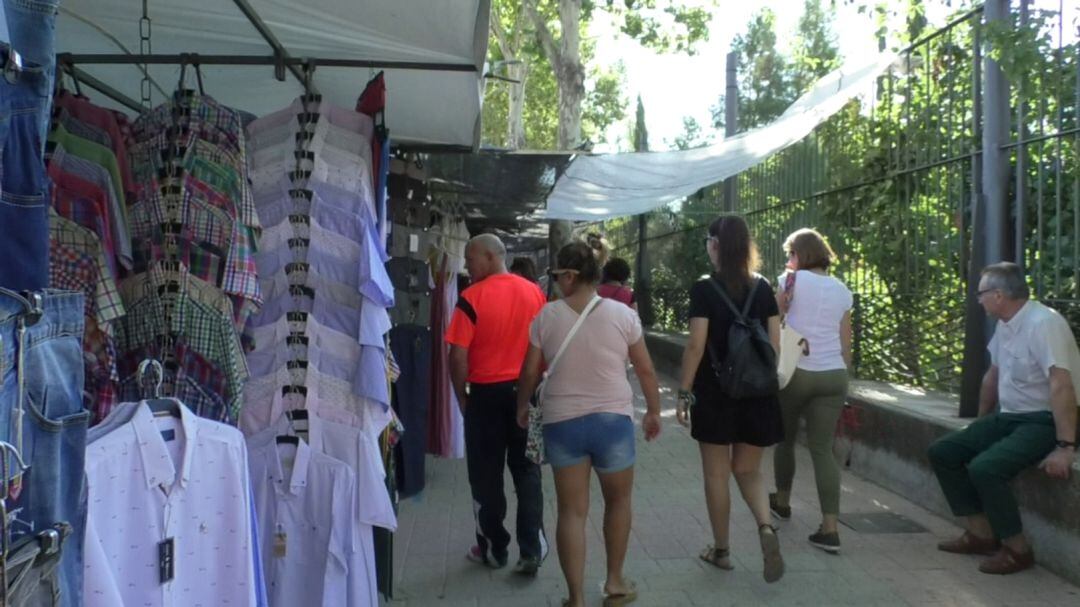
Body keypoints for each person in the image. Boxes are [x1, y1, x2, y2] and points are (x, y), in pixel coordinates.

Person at [516, 242, 662, 607]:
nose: (554, 284)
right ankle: (614, 583)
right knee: (619, 501)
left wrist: (522, 407)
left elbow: (530, 372)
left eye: (555, 276)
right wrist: (654, 411)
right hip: (613, 421)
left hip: (562, 423)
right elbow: (645, 368)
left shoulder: (546, 317)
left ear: (569, 276)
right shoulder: (623, 315)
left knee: (571, 512)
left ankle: (576, 597)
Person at [927, 262, 1079, 575]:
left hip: (1044, 420)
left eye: (980, 293)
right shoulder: (1005, 324)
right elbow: (993, 376)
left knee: (986, 468)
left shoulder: (1043, 323)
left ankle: (1017, 549)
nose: (977, 299)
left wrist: (1065, 446)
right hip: (1009, 417)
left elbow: (1062, 384)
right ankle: (981, 533)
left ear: (998, 295)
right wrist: (980, 425)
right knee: (943, 451)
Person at [675, 214, 785, 583]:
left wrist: (683, 392)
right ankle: (766, 527)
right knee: (749, 470)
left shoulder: (704, 289)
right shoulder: (765, 287)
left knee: (716, 474)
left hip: (715, 392)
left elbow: (695, 345)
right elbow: (775, 344)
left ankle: (721, 550)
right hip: (758, 391)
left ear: (715, 245)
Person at [446, 234, 549, 575]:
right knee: (528, 471)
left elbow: (457, 356)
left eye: (469, 258)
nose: (466, 265)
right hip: (527, 394)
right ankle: (532, 548)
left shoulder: (471, 298)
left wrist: (461, 397)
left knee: (485, 476)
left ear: (490, 257)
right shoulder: (534, 292)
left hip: (486, 398)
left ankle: (493, 547)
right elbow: (545, 343)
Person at [768, 228, 853, 554]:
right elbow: (846, 342)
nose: (788, 261)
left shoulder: (788, 281)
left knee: (785, 440)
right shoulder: (842, 290)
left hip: (796, 372)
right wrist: (846, 376)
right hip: (833, 375)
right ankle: (830, 528)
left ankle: (783, 501)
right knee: (822, 450)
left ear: (799, 256)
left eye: (791, 254)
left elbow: (775, 323)